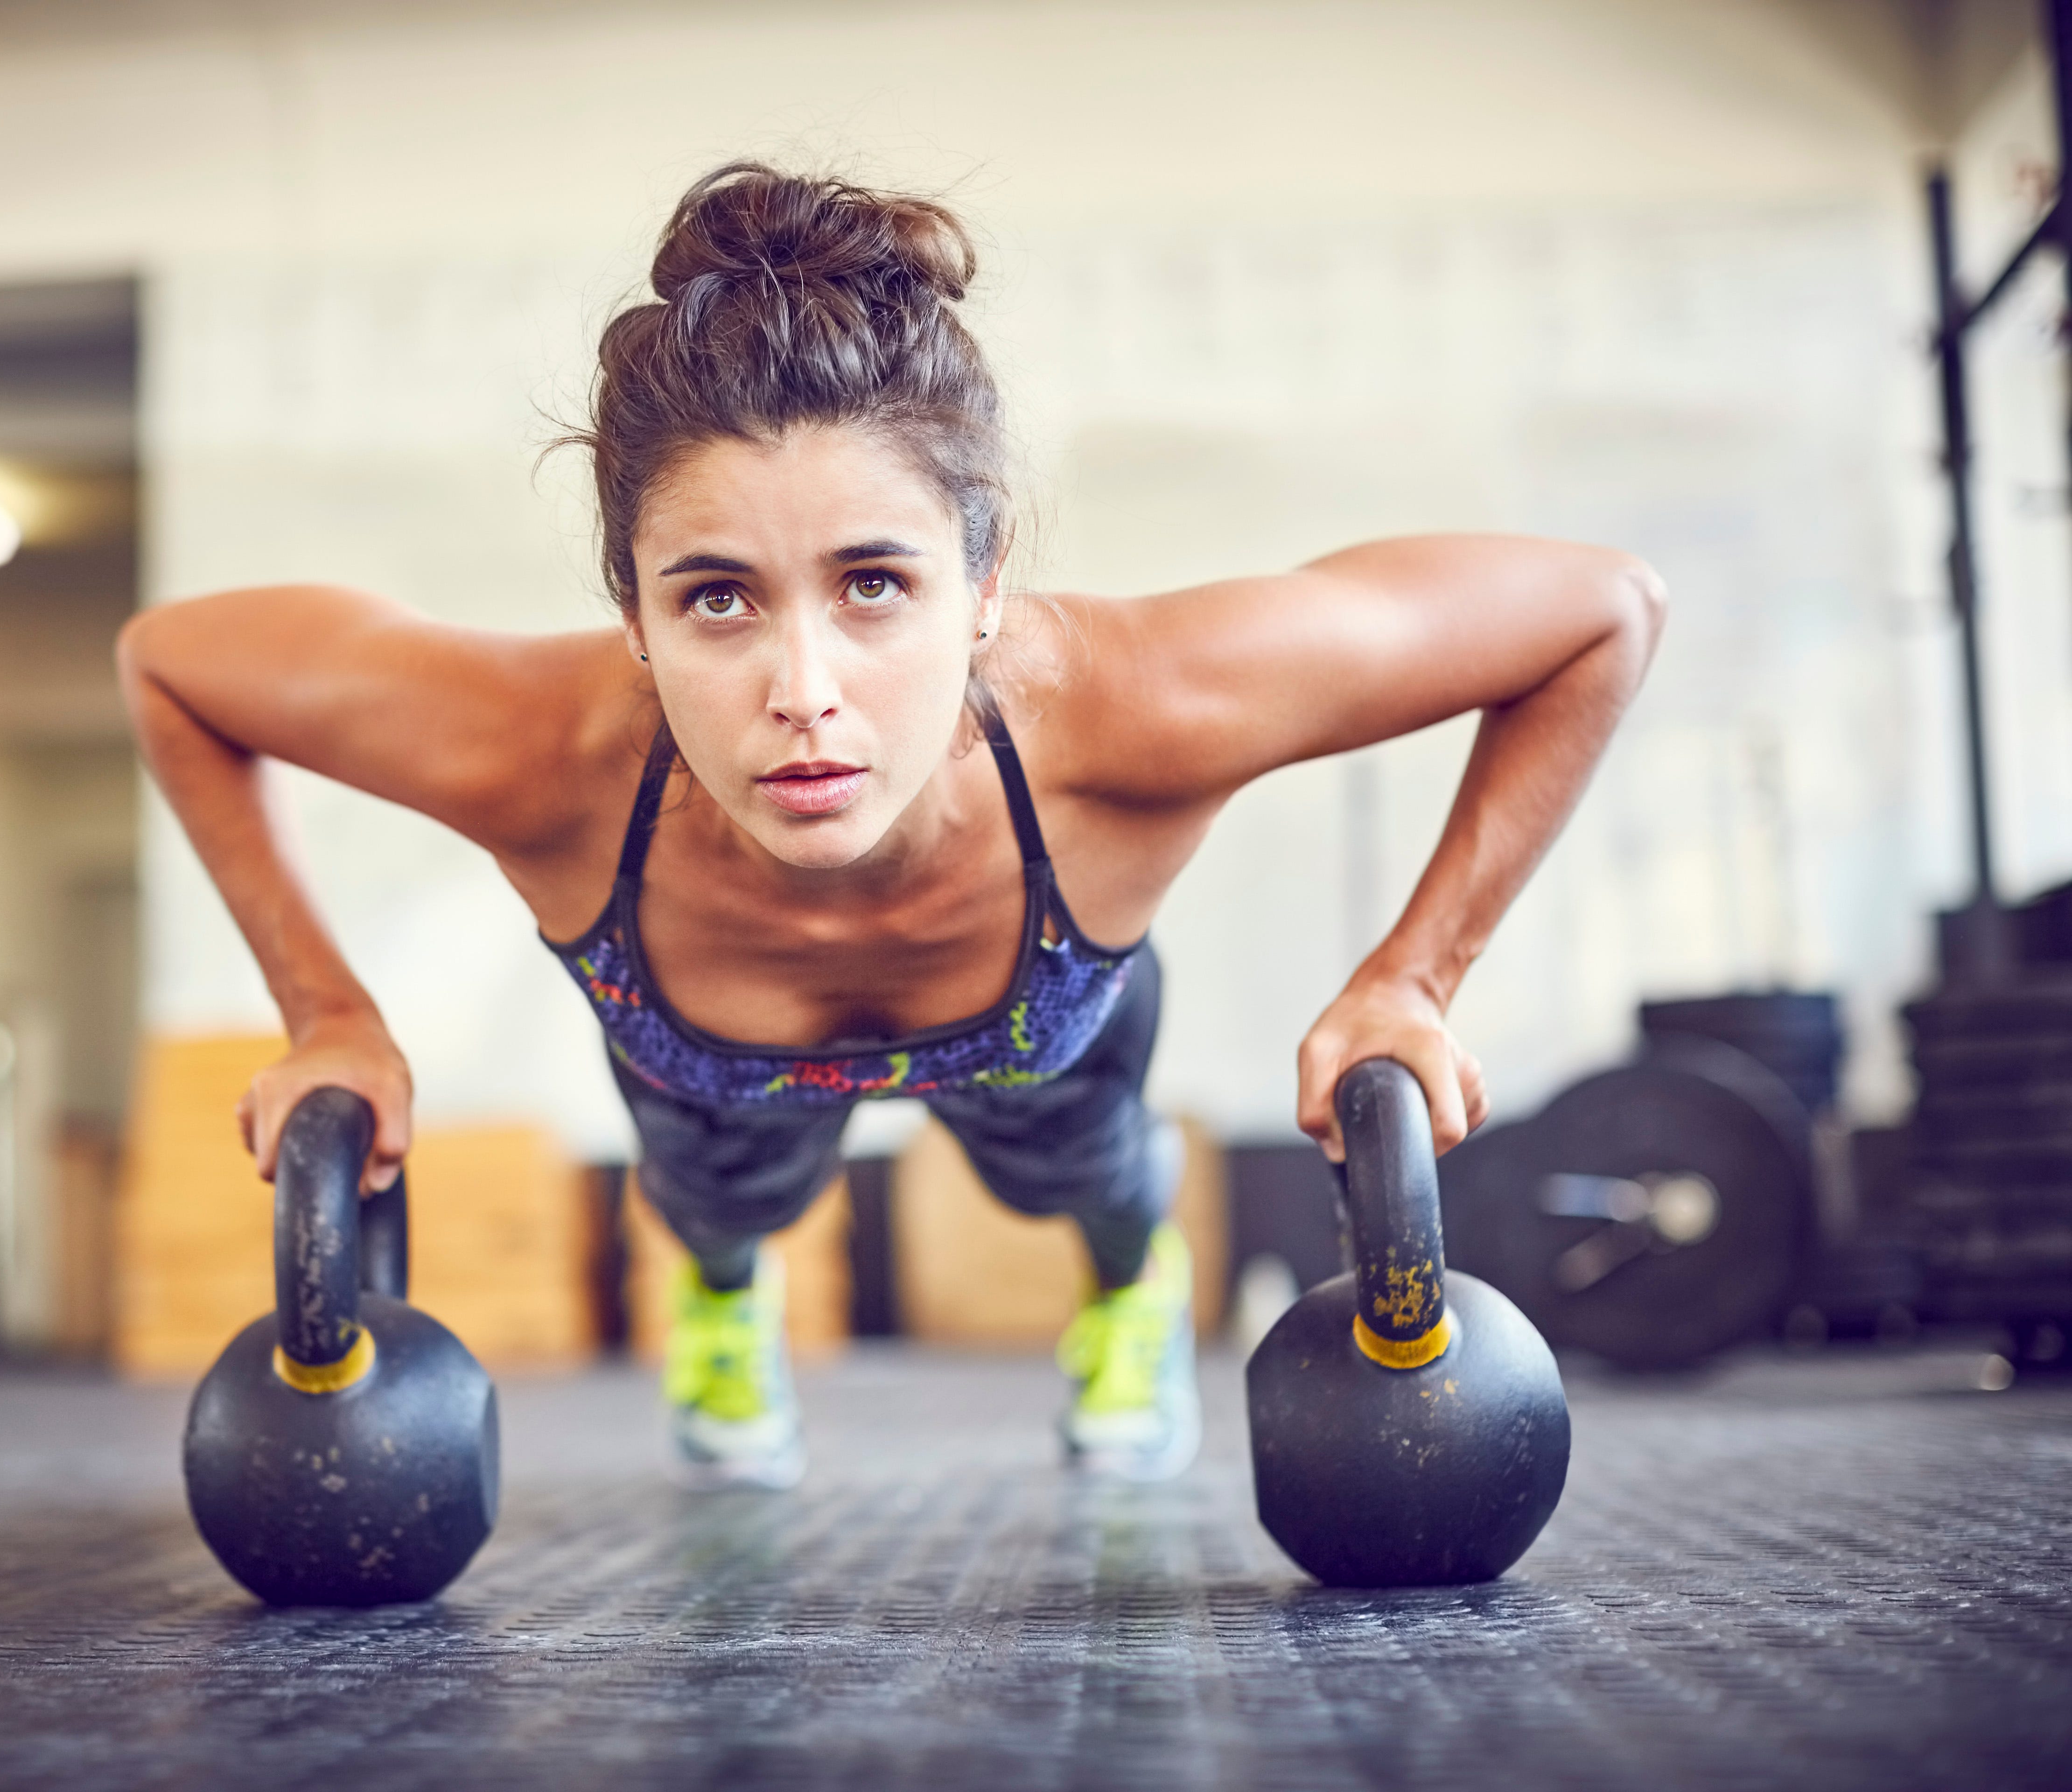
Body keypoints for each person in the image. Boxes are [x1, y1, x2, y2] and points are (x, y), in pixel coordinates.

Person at [120, 162, 1665, 1489]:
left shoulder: (1136, 708)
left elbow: (1598, 614)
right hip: (704, 1059)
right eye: (716, 597)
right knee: (720, 1202)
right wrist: (325, 1014)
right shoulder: (544, 753)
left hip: (1038, 1016)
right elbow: (174, 666)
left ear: (983, 585)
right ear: (634, 618)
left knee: (1097, 1174)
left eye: (875, 585)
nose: (805, 691)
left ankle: (1130, 1296)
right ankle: (725, 1300)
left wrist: (1417, 976)